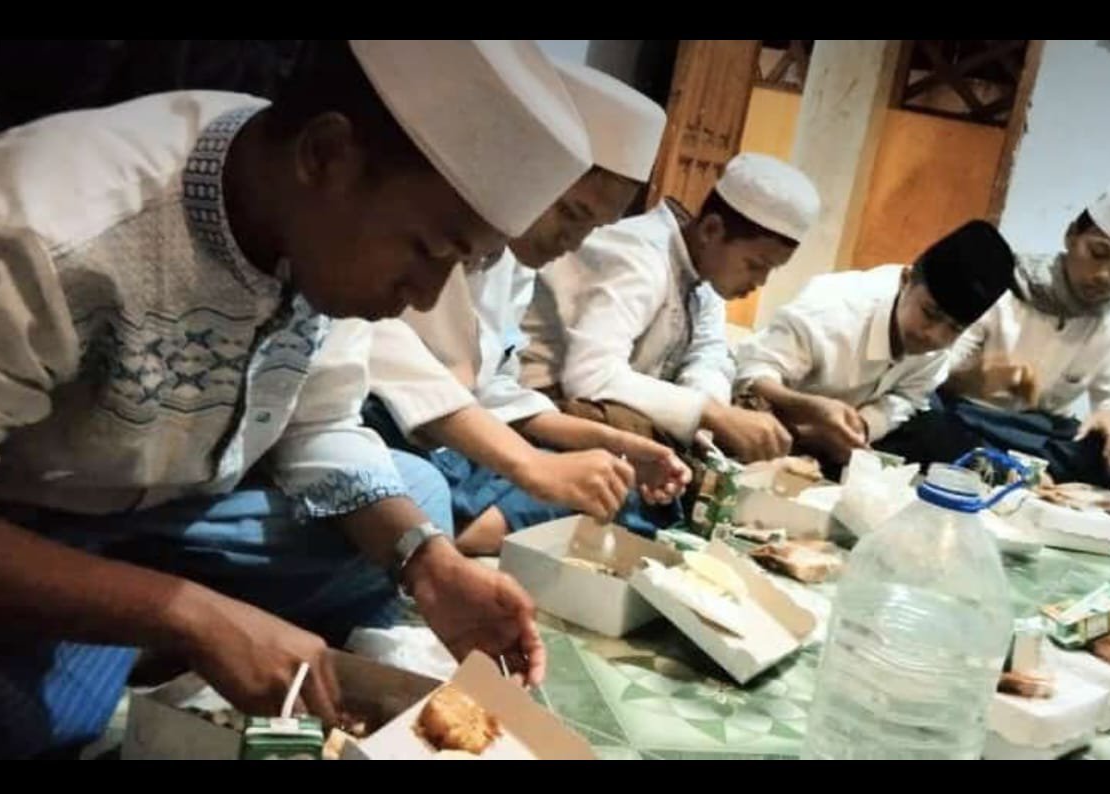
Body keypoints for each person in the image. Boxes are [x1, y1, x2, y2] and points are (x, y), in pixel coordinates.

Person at [0, 40, 587, 757]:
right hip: (16, 521)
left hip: (171, 522)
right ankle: (128, 644)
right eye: (427, 251)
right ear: (326, 155)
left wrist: (429, 567)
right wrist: (189, 616)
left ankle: (130, 638)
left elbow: (319, 421)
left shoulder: (304, 213)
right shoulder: (46, 229)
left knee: (416, 497)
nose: (425, 296)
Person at [360, 59, 688, 556]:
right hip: (390, 431)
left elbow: (493, 388)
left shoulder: (510, 261)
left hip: (457, 441)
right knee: (418, 485)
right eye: (571, 212)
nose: (573, 241)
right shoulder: (421, 222)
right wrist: (529, 464)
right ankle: (453, 531)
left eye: (594, 226)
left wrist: (609, 443)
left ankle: (459, 526)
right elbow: (385, 359)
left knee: (624, 489)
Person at [519, 152, 821, 464]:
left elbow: (709, 355)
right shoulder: (641, 258)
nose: (760, 281)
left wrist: (713, 417)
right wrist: (710, 413)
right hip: (536, 412)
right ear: (711, 230)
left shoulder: (704, 273)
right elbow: (591, 375)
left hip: (595, 416)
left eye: (770, 270)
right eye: (755, 265)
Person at [882, 180, 1110, 486]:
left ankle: (1000, 472)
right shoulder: (1001, 285)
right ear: (1071, 235)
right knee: (923, 420)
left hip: (1036, 434)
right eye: (1097, 253)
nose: (1105, 275)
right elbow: (931, 362)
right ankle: (1015, 476)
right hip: (965, 415)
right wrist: (974, 378)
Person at [732, 219, 1017, 474]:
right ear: (905, 280)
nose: (935, 337)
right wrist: (808, 408)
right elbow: (753, 373)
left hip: (833, 446)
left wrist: (863, 425)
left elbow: (908, 397)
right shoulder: (832, 309)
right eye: (930, 314)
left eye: (955, 329)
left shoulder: (936, 344)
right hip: (759, 425)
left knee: (945, 439)